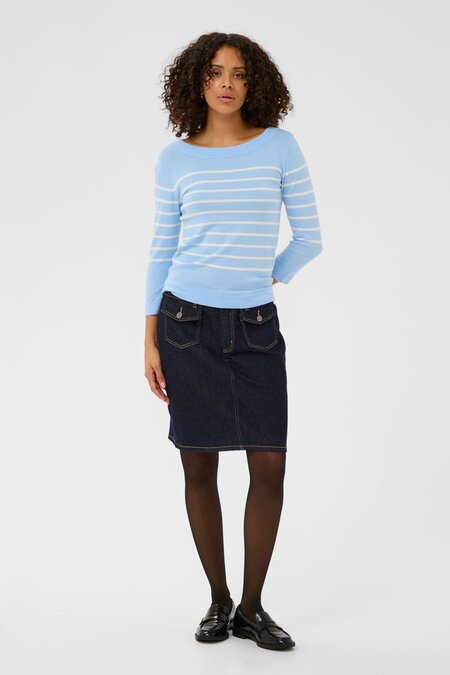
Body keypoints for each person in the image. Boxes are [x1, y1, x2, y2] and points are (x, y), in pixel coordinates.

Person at [144, 32, 323, 651]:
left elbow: (310, 238)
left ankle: (252, 607)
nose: (227, 83)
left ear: (255, 84)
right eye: (216, 72)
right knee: (199, 463)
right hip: (184, 325)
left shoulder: (279, 147)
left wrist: (263, 274)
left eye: (240, 74)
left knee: (269, 464)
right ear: (197, 81)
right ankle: (219, 601)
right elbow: (161, 250)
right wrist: (149, 338)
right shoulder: (175, 160)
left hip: (254, 328)